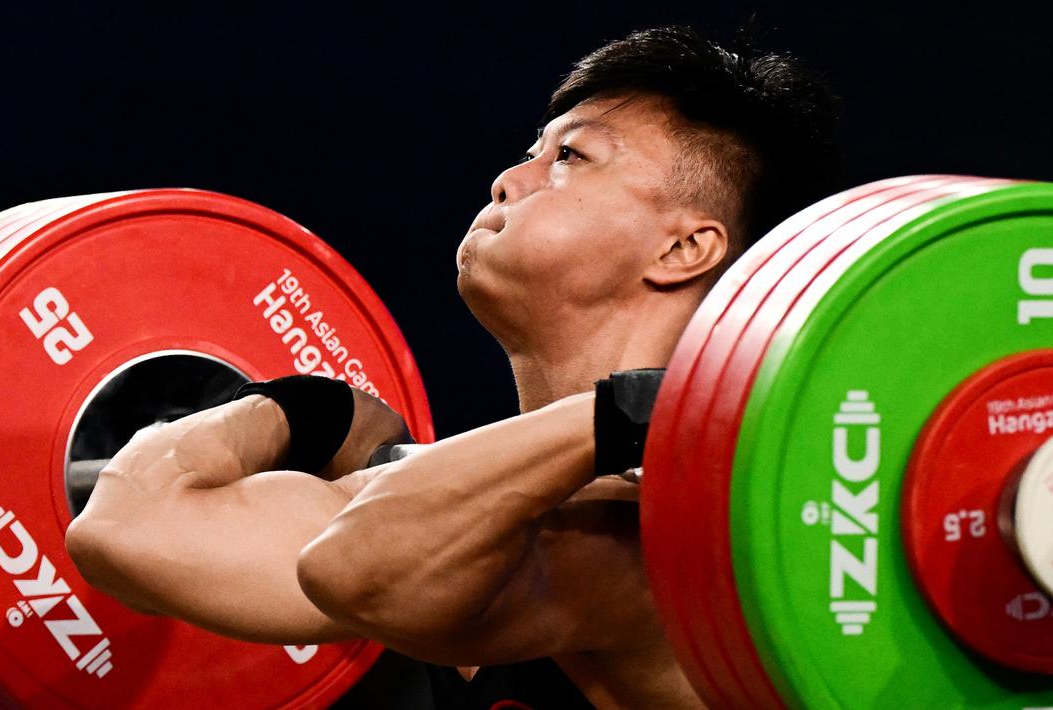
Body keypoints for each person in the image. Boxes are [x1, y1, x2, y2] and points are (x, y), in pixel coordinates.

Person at [64, 24, 842, 709]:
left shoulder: (653, 538)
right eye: (528, 153)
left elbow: (356, 565)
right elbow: (124, 527)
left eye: (570, 156)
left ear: (684, 249)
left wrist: (643, 418)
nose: (510, 179)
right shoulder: (459, 507)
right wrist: (307, 409)